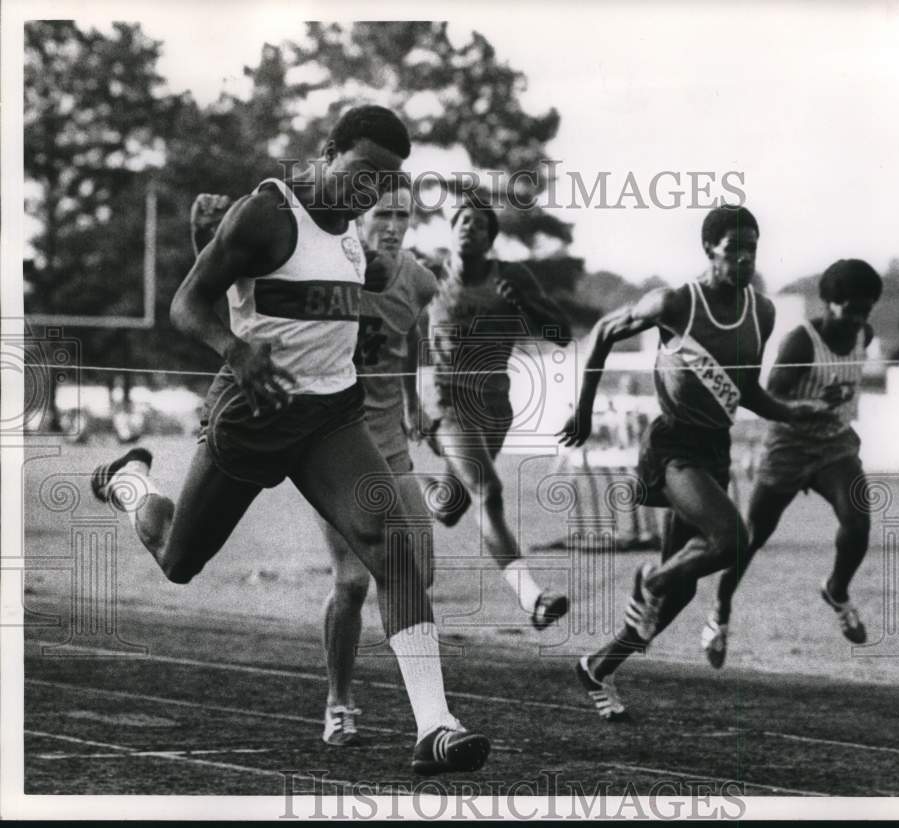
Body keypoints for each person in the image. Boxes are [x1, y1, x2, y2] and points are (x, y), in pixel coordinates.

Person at [90, 106, 489, 774]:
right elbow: (189, 304)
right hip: (253, 414)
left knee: (392, 545)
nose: (371, 192)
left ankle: (435, 727)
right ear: (329, 152)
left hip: (329, 419)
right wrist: (235, 352)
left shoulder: (358, 241)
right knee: (178, 557)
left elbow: (342, 300)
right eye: (362, 173)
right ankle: (128, 480)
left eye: (386, 183)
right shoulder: (267, 215)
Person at [190, 177, 440, 747]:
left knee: (414, 573)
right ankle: (340, 699)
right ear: (356, 219)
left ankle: (431, 715)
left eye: (404, 215)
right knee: (353, 579)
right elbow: (241, 303)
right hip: (331, 437)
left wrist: (415, 401)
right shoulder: (330, 260)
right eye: (384, 214)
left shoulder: (419, 280)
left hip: (390, 444)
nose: (394, 227)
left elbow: (410, 340)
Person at [558, 205, 831, 720]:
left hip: (714, 449)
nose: (745, 258)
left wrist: (794, 413)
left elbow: (747, 390)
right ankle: (652, 580)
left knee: (682, 593)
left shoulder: (762, 312)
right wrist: (583, 408)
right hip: (672, 449)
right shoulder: (677, 302)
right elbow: (601, 333)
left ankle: (597, 666)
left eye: (752, 248)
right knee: (731, 540)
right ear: (710, 250)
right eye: (734, 249)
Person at [700, 258, 882, 668]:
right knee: (749, 539)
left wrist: (831, 410)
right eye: (850, 308)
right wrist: (812, 406)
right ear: (828, 303)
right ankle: (720, 612)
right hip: (789, 447)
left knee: (858, 521)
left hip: (834, 446)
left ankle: (836, 589)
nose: (858, 319)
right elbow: (771, 401)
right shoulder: (801, 343)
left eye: (865, 310)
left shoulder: (863, 335)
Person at [422, 199, 574, 630]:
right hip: (448, 403)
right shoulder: (428, 273)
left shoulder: (511, 276)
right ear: (451, 231)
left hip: (494, 408)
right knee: (488, 491)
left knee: (449, 506)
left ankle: (405, 483)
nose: (469, 228)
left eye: (479, 224)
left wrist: (524, 305)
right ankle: (534, 600)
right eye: (462, 221)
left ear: (491, 238)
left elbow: (560, 333)